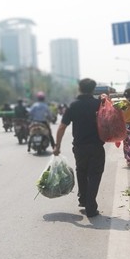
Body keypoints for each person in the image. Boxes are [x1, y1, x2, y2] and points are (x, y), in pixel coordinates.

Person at [53, 79, 105, 218]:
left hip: (80, 147)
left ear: (80, 89)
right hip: (96, 146)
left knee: (81, 172)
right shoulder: (99, 104)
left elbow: (62, 126)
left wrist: (57, 146)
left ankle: (83, 200)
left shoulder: (73, 106)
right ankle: (90, 207)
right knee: (94, 175)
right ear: (93, 89)